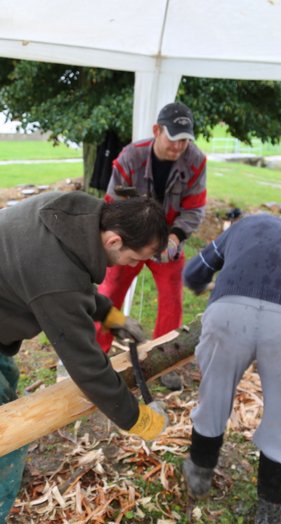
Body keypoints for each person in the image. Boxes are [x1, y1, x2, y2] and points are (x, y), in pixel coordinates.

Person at [0, 191, 170, 524]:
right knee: (5, 438)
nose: (133, 266)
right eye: (135, 258)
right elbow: (86, 365)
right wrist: (137, 419)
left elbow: (67, 280)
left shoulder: (73, 216)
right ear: (114, 239)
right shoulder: (54, 272)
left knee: (2, 393)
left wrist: (110, 315)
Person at [181, 215, 281, 524]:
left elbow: (196, 269)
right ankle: (270, 514)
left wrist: (198, 286)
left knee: (214, 397)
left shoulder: (250, 224)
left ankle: (199, 475)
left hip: (227, 314)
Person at [95, 101, 207, 374]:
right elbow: (112, 205)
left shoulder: (196, 161)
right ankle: (96, 355)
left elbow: (194, 209)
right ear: (157, 130)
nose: (179, 146)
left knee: (172, 299)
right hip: (130, 239)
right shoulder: (130, 157)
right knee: (108, 293)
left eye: (185, 140)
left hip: (168, 242)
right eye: (173, 138)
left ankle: (165, 361)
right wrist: (130, 241)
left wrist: (175, 237)